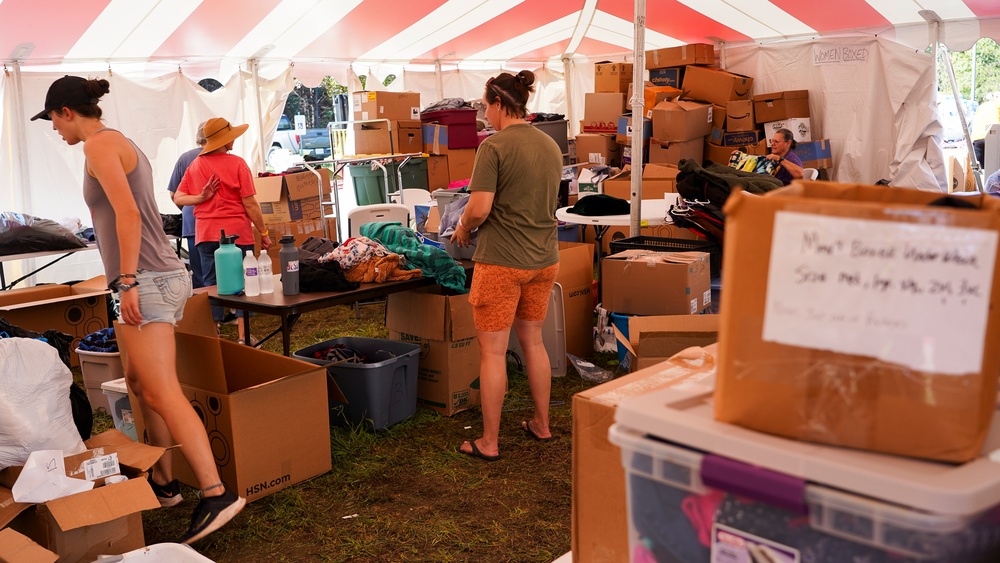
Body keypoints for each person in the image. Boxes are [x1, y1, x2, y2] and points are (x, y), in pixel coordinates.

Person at [32, 75, 245, 544]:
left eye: (51, 120)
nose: (53, 130)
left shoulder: (99, 146)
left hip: (143, 279)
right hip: (136, 281)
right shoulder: (116, 143)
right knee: (137, 385)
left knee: (162, 390)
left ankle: (216, 493)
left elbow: (127, 213)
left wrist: (127, 280)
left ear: (67, 111)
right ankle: (164, 482)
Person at [451, 71, 563, 461]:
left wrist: (463, 226)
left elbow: (479, 208)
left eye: (485, 106)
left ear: (499, 103)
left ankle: (490, 442)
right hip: (544, 259)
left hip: (501, 262)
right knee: (534, 341)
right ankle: (542, 424)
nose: (485, 114)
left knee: (494, 353)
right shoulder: (550, 144)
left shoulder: (493, 147)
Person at [174, 117, 272, 342]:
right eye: (231, 137)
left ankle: (214, 335)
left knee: (211, 284)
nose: (234, 140)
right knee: (244, 281)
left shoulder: (195, 165)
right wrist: (264, 232)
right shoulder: (237, 163)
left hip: (206, 233)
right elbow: (249, 203)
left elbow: (178, 198)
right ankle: (243, 336)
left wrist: (201, 197)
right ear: (223, 140)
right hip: (238, 231)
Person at [167, 121, 208, 288]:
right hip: (219, 221)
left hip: (192, 221)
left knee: (199, 272)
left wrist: (187, 207)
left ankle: (205, 310)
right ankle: (232, 308)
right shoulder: (225, 158)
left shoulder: (185, 158)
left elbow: (173, 193)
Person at [972, 94, 1000, 167]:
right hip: (993, 136)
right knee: (995, 165)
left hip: (977, 138)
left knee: (981, 167)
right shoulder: (997, 105)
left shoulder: (981, 107)